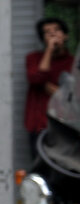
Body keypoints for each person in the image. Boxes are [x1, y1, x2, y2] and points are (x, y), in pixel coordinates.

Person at [26, 18, 74, 154]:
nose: (52, 34)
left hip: (66, 125)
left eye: (57, 30)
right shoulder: (33, 58)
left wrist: (50, 87)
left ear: (65, 36)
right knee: (41, 169)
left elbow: (73, 94)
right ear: (43, 39)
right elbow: (36, 79)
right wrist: (49, 50)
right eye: (47, 32)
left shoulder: (73, 62)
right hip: (39, 124)